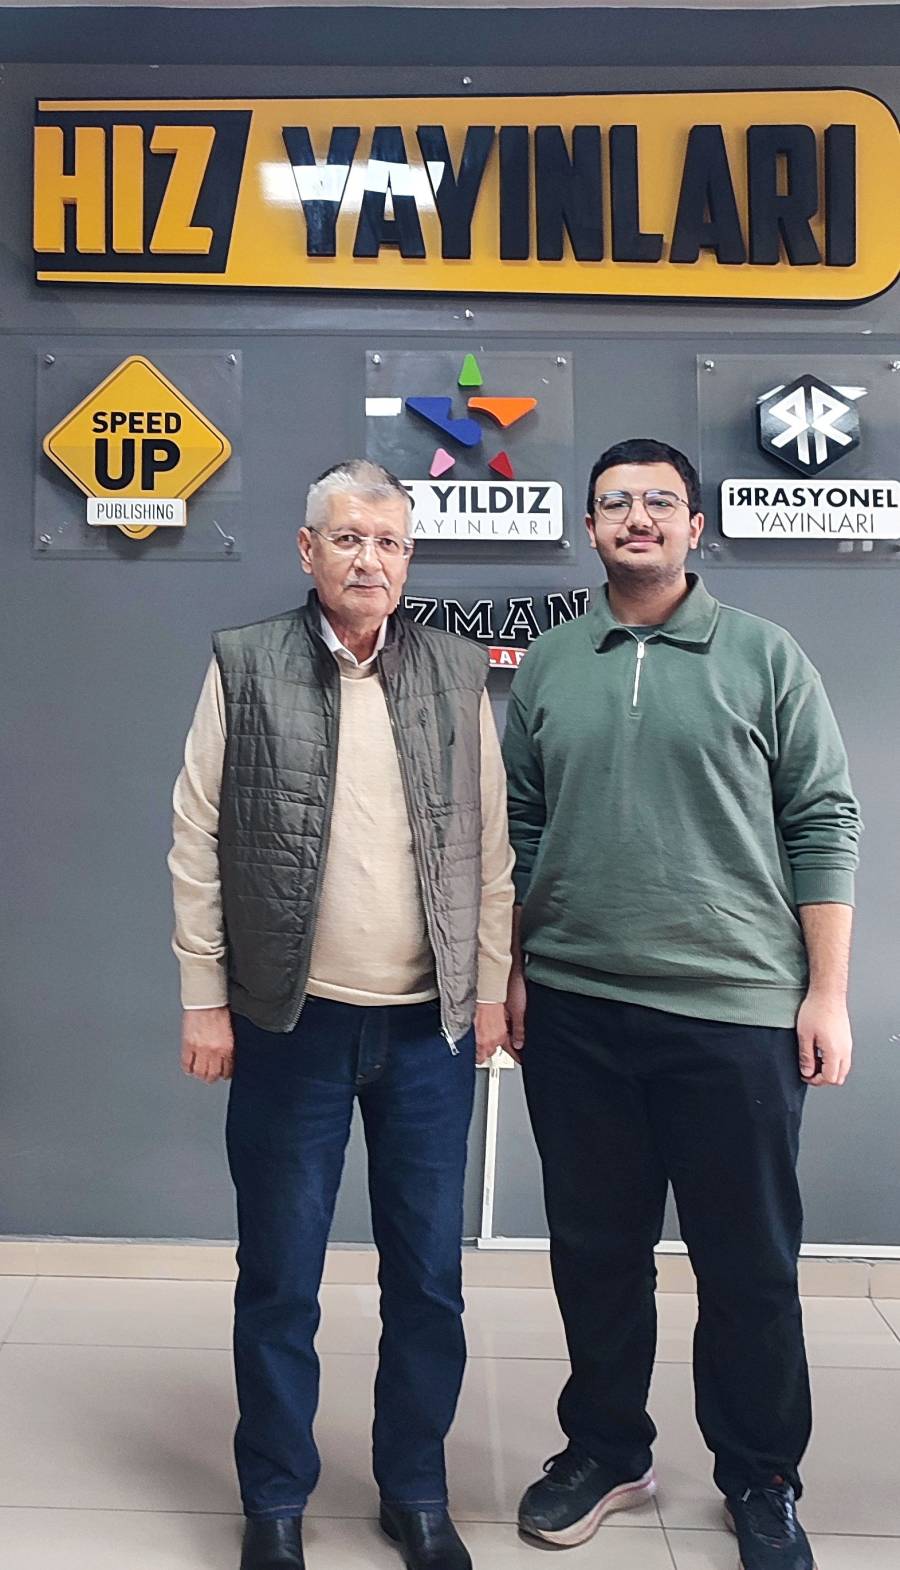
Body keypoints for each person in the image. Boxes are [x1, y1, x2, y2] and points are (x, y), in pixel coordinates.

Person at [502, 438, 861, 1570]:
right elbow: (518, 832)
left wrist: (828, 993)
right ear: (590, 528)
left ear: (695, 527)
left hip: (736, 1011)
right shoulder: (552, 663)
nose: (639, 517)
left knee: (747, 1265)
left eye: (661, 501)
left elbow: (824, 820)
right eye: (616, 502)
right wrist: (513, 970)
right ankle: (606, 1450)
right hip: (577, 1007)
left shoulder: (765, 655)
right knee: (595, 1252)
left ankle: (761, 1476)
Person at [169, 459, 514, 1570]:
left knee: (428, 1282)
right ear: (308, 549)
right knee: (281, 1279)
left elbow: (491, 847)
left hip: (427, 1034)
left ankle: (415, 1489)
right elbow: (196, 839)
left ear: (410, 559)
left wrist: (491, 988)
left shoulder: (456, 668)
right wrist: (205, 1000)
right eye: (351, 538)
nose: (372, 560)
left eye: (391, 543)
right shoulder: (246, 662)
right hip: (290, 1025)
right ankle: (274, 1500)